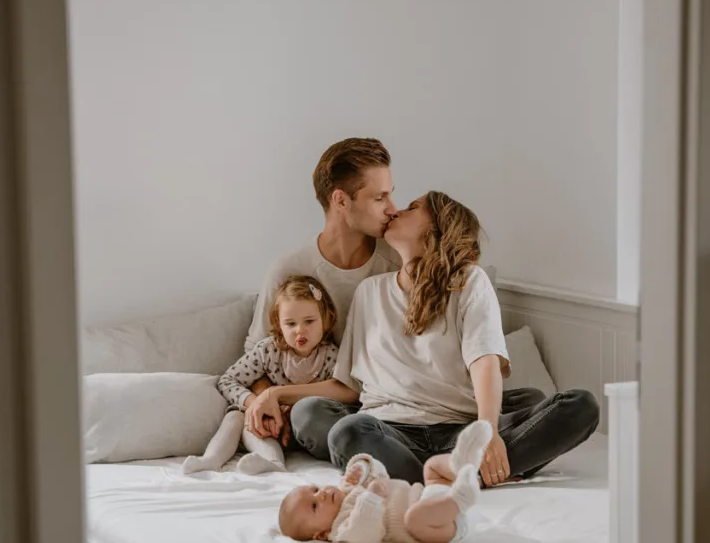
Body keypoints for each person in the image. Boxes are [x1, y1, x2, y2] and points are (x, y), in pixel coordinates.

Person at [255, 191, 601, 486]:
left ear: (434, 229)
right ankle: (460, 473)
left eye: (411, 207)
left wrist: (487, 432)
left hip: (458, 429)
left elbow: (484, 359)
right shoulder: (369, 292)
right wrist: (276, 392)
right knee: (333, 425)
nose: (395, 210)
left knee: (578, 406)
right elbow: (349, 388)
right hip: (387, 429)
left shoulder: (468, 281)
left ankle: (436, 470)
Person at [240, 138, 400, 442]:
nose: (392, 209)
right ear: (341, 200)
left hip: (390, 407)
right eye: (380, 198)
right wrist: (269, 403)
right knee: (309, 416)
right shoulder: (289, 270)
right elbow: (256, 352)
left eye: (390, 195)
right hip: (322, 410)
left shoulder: (397, 262)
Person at [182, 276, 339, 474]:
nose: (300, 330)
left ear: (326, 319)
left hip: (303, 432)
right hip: (267, 428)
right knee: (237, 415)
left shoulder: (332, 356)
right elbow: (228, 380)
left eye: (309, 321)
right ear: (279, 325)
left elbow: (341, 395)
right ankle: (212, 459)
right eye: (290, 324)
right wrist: (256, 404)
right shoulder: (268, 350)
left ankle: (274, 463)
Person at [278, 420, 492, 543]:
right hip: (437, 526)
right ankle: (461, 498)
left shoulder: (347, 487)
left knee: (432, 467)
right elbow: (368, 534)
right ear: (321, 535)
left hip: (431, 493)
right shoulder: (341, 530)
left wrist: (363, 466)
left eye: (315, 490)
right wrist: (371, 498)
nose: (321, 494)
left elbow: (381, 475)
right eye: (315, 506)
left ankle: (462, 464)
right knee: (413, 518)